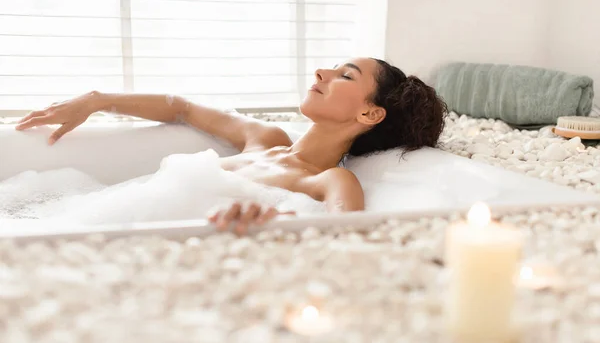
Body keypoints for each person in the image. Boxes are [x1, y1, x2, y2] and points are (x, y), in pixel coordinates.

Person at [15, 57, 448, 234]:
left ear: (370, 114)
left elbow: (340, 237)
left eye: (345, 75)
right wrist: (97, 100)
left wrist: (273, 222)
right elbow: (180, 107)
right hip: (70, 218)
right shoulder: (267, 140)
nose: (320, 72)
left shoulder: (331, 180)